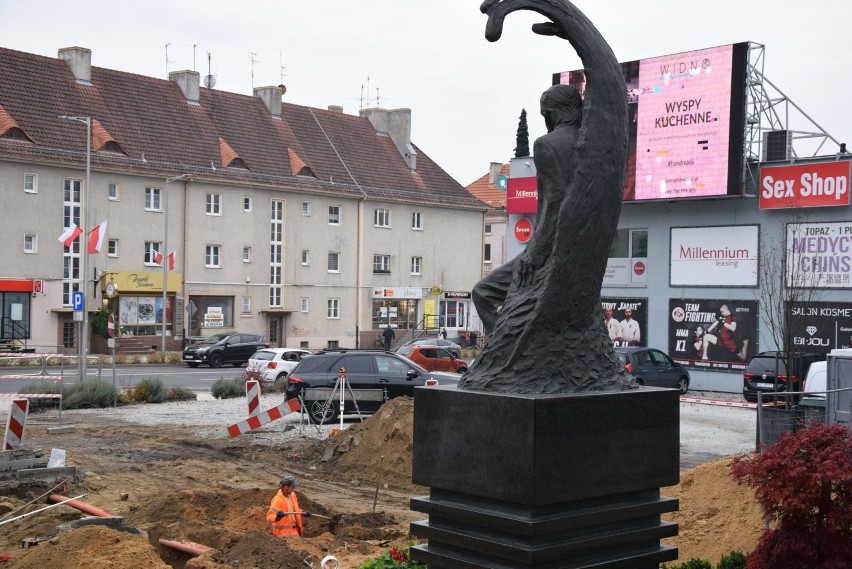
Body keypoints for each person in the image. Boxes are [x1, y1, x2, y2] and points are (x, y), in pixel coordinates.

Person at [472, 84, 583, 334]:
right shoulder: (587, 143)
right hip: (577, 249)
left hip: (549, 249)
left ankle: (501, 350)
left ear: (550, 114)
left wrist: (534, 253)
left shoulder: (548, 144)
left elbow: (555, 202)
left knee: (483, 292)